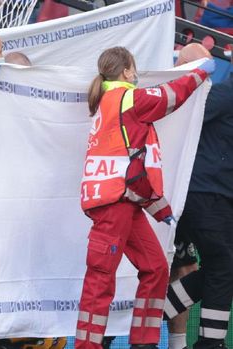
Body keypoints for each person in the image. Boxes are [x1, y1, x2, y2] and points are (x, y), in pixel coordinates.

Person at [76, 46, 214, 349]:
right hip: (115, 205)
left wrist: (158, 207)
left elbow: (130, 165)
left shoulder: (110, 103)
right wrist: (201, 71)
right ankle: (89, 346)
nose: (136, 74)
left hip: (123, 203)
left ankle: (145, 342)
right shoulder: (127, 100)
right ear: (126, 71)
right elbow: (170, 96)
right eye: (134, 68)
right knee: (101, 279)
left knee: (156, 267)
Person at [163, 47, 233, 349]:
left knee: (222, 267)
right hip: (205, 196)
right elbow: (191, 114)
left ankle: (152, 314)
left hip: (211, 195)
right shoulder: (224, 93)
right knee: (222, 265)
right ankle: (208, 342)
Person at [164, 42, 212, 349]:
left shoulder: (212, 99)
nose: (206, 77)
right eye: (202, 70)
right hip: (160, 199)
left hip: (191, 201)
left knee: (185, 268)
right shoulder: (162, 95)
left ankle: (178, 344)